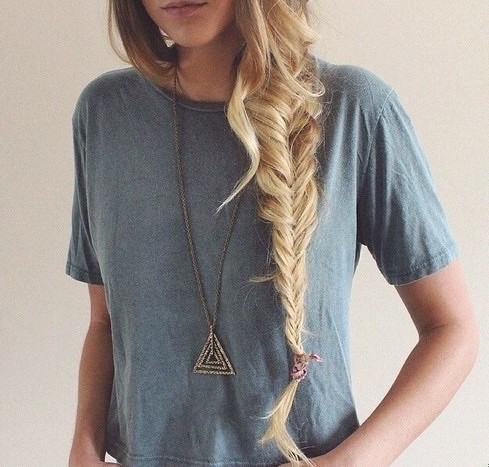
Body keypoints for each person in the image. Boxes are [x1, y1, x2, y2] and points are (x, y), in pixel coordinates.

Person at [65, 1, 478, 466]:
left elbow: (451, 328)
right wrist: (84, 446)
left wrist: (352, 461)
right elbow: (104, 321)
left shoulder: (353, 110)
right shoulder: (104, 114)